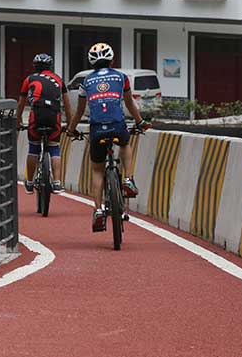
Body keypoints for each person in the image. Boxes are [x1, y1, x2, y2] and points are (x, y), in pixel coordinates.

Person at [67, 43, 150, 232]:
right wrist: (140, 122)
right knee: (125, 142)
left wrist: (71, 129)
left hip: (97, 128)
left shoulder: (85, 82)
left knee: (97, 170)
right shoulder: (122, 78)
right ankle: (128, 179)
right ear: (113, 60)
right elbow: (129, 103)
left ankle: (98, 210)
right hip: (117, 125)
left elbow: (80, 111)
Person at [15, 53, 72, 195]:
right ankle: (57, 183)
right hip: (54, 116)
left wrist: (18, 121)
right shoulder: (58, 80)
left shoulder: (29, 79)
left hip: (37, 116)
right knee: (54, 148)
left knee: (33, 148)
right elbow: (67, 103)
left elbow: (21, 103)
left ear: (34, 66)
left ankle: (29, 182)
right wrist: (70, 123)